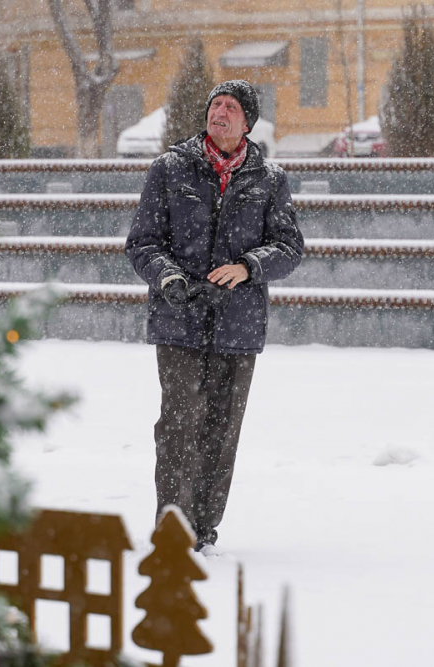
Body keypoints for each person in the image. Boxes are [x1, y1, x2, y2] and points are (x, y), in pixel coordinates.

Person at [124, 80, 304, 553]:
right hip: (178, 318)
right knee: (179, 425)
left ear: (247, 123)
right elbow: (141, 243)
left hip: (237, 325)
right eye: (215, 105)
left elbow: (290, 248)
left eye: (230, 107)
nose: (219, 112)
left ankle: (203, 530)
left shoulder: (270, 179)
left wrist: (248, 267)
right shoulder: (169, 169)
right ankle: (172, 529)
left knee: (221, 432)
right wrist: (167, 277)